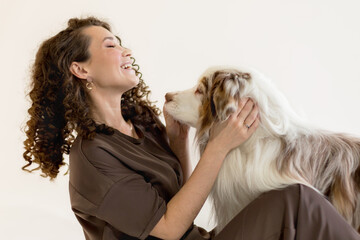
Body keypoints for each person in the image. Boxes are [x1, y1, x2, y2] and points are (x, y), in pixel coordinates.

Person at [22, 16, 360, 240]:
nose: (125, 50)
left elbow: (183, 198)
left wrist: (179, 143)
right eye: (111, 45)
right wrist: (218, 147)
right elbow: (168, 228)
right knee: (299, 202)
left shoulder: (142, 124)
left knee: (301, 199)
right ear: (80, 69)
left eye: (121, 42)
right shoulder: (92, 156)